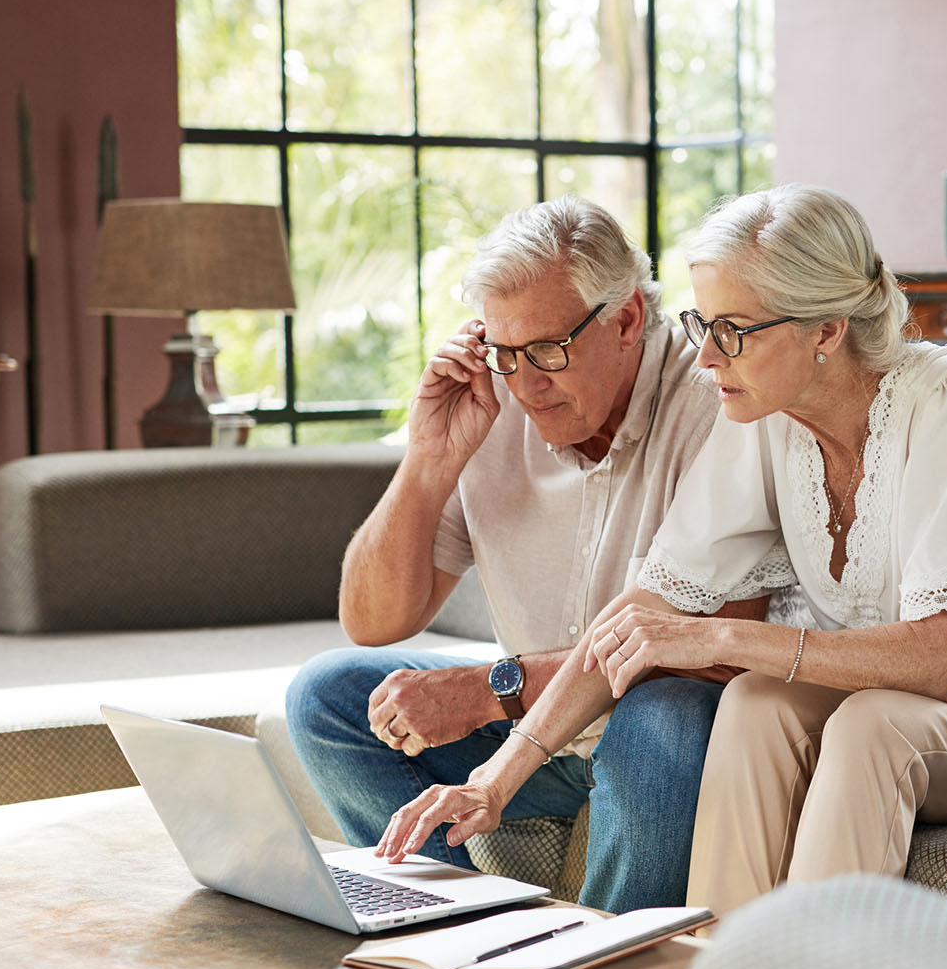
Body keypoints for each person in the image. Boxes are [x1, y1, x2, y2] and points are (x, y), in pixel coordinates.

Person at [376, 183, 947, 918]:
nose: (707, 356)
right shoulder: (765, 417)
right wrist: (495, 779)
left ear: (826, 330)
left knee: (872, 726)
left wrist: (717, 635)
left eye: (734, 331)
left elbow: (940, 664)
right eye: (701, 324)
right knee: (755, 700)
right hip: (908, 713)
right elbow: (643, 614)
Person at [284, 195, 766, 914]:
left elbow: (714, 646)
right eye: (506, 353)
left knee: (668, 709)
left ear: (628, 318)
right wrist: (428, 459)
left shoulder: (716, 403)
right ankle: (448, 931)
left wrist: (491, 690)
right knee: (329, 695)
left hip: (664, 743)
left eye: (547, 349)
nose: (527, 383)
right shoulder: (496, 397)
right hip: (539, 735)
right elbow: (374, 621)